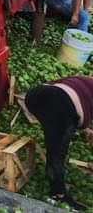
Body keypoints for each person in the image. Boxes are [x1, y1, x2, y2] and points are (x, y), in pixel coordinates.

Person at [25, 76, 93, 210]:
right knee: (57, 153)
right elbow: (80, 114)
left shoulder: (84, 80)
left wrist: (84, 127)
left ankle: (51, 174)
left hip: (34, 95)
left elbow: (55, 85)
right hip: (62, 105)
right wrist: (84, 126)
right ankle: (58, 194)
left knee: (54, 139)